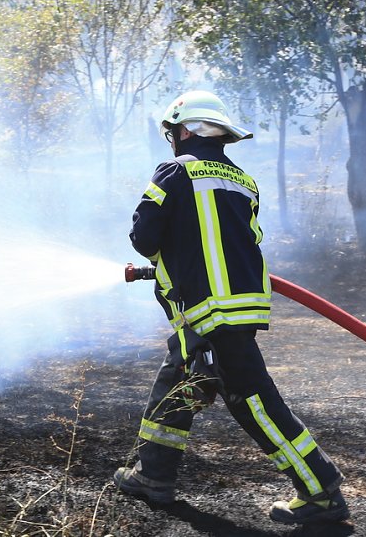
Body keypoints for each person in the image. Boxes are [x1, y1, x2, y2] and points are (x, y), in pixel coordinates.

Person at [113, 90, 349, 525]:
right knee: (178, 384)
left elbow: (144, 238)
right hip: (236, 309)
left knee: (253, 403)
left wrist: (167, 257)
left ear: (184, 130)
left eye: (172, 132)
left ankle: (320, 490)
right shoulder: (243, 181)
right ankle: (152, 474)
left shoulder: (174, 171)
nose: (171, 140)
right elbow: (237, 240)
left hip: (207, 311)